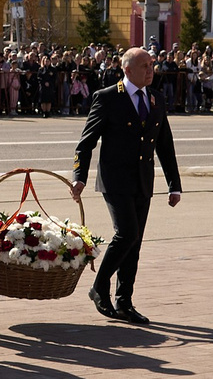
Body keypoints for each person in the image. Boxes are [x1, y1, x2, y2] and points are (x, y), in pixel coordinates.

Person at [73, 46, 182, 325]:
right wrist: (79, 176)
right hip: (115, 180)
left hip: (142, 180)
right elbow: (86, 142)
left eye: (152, 65)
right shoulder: (108, 97)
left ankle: (124, 302)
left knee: (135, 244)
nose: (150, 70)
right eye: (144, 66)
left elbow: (165, 145)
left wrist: (174, 185)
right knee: (127, 233)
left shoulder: (156, 98)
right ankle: (100, 286)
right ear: (127, 70)